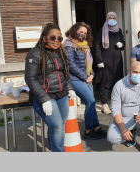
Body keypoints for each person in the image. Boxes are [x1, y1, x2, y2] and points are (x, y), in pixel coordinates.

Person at [25, 23, 76, 152]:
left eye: (59, 38)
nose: (57, 41)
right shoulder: (35, 54)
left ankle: (56, 150)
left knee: (59, 126)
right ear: (44, 38)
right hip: (46, 96)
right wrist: (44, 99)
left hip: (62, 94)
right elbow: (30, 78)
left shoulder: (61, 52)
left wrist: (69, 87)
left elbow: (66, 72)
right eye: (52, 37)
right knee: (56, 125)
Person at [64, 22, 107, 140]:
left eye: (85, 33)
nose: (83, 34)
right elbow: (71, 64)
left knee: (92, 104)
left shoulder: (84, 45)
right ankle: (88, 131)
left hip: (87, 78)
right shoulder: (69, 45)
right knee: (91, 102)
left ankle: (96, 127)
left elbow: (88, 62)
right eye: (81, 32)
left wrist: (92, 74)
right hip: (76, 79)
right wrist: (85, 77)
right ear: (74, 31)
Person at [95, 11, 125, 114]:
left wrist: (122, 44)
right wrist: (99, 60)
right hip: (106, 59)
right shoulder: (102, 30)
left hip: (117, 59)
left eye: (114, 18)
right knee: (105, 82)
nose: (112, 20)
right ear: (107, 19)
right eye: (109, 18)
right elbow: (98, 45)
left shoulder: (119, 31)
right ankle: (104, 104)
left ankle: (115, 104)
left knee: (117, 82)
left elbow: (123, 44)